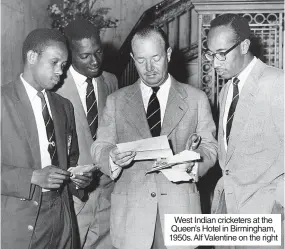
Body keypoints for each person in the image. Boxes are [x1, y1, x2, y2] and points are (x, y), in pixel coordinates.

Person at [91, 25, 218, 249]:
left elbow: (210, 147)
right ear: (132, 58)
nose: (149, 68)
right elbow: (100, 146)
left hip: (180, 213)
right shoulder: (116, 101)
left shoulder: (195, 99)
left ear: (168, 54)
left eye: (156, 58)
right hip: (132, 219)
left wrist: (194, 162)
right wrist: (112, 157)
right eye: (141, 60)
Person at [1, 28, 94, 249]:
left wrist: (77, 178)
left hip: (62, 218)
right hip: (18, 223)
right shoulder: (3, 102)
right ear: (32, 57)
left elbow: (70, 159)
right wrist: (31, 177)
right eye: (54, 62)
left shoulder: (64, 107)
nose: (60, 72)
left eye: (63, 66)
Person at [207, 14, 284, 247]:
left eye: (222, 54)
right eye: (211, 54)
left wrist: (278, 206)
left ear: (244, 45)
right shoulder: (226, 90)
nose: (215, 63)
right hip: (228, 214)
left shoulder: (277, 83)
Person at [56, 18, 118, 249]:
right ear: (70, 54)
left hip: (107, 195)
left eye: (98, 52)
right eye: (85, 56)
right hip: (73, 198)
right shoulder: (55, 86)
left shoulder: (110, 81)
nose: (95, 61)